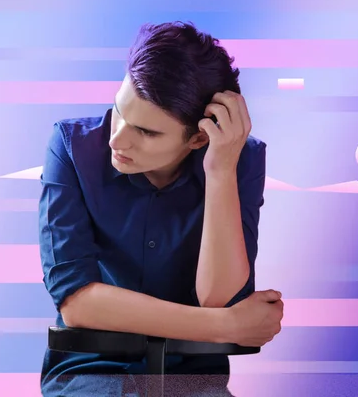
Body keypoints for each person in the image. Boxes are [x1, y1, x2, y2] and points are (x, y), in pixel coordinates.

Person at [38, 21, 284, 396]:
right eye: (119, 111)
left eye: (147, 132)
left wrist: (220, 170)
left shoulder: (239, 160)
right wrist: (227, 326)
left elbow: (218, 299)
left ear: (199, 136)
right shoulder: (73, 147)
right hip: (91, 372)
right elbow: (77, 302)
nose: (118, 139)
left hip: (194, 381)